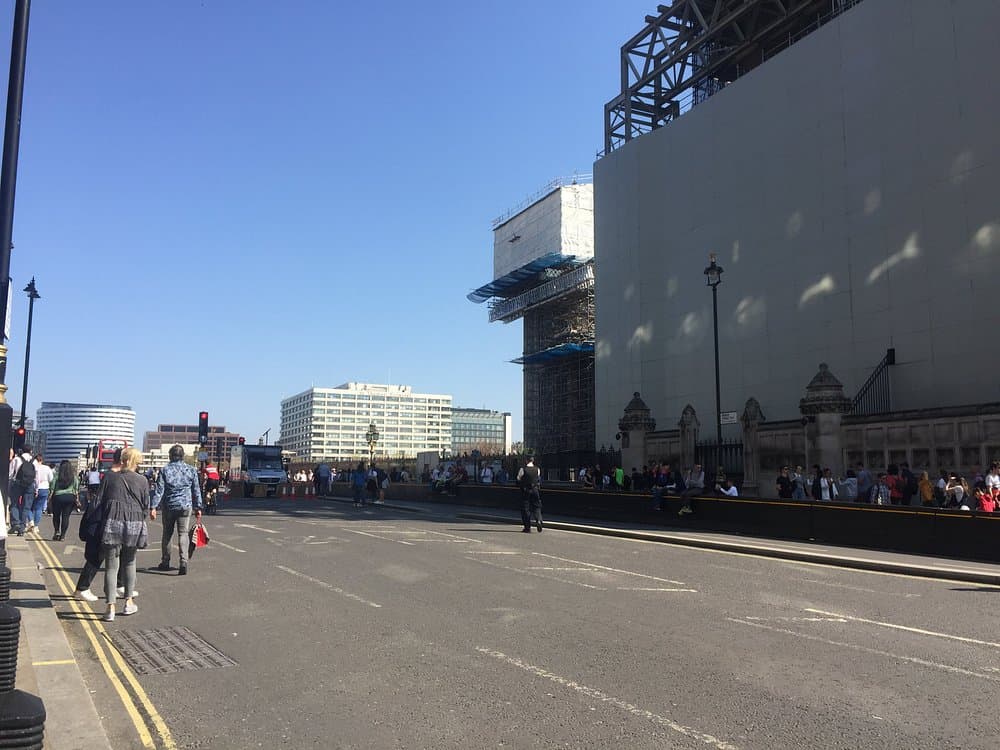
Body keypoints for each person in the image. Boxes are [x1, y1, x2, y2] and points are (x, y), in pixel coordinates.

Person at [99, 448, 149, 621]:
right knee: (130, 562)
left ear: (122, 460)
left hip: (113, 521)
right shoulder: (142, 480)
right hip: (134, 522)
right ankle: (128, 602)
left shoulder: (110, 478)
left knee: (111, 566)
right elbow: (145, 505)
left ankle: (110, 608)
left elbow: (99, 501)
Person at [150, 445, 203, 575]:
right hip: (185, 505)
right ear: (182, 456)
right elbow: (196, 489)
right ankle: (183, 561)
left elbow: (159, 490)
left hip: (169, 505)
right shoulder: (191, 470)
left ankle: (165, 561)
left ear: (170, 456)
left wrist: (153, 506)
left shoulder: (165, 470)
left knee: (167, 534)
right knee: (183, 533)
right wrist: (198, 506)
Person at [9, 446, 36, 536]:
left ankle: (16, 523)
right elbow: (37, 476)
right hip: (30, 485)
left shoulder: (16, 459)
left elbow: (10, 473)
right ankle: (22, 528)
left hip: (18, 483)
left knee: (14, 503)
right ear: (30, 451)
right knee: (26, 507)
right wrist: (36, 488)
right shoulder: (34, 461)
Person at [49, 460, 80, 541]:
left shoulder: (56, 475)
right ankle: (63, 536)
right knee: (65, 517)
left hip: (58, 497)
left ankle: (56, 531)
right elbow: (76, 490)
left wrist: (49, 499)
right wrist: (77, 500)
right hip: (70, 497)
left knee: (56, 516)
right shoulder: (74, 477)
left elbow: (52, 489)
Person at [516, 456, 542, 532]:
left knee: (525, 508)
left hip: (525, 490)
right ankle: (539, 520)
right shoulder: (537, 469)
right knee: (537, 506)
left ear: (526, 461)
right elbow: (538, 478)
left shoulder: (523, 469)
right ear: (533, 461)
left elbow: (518, 479)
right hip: (535, 490)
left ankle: (527, 527)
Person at [30, 454, 53, 534]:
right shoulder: (47, 468)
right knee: (39, 508)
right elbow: (51, 478)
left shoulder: (33, 467)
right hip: (44, 488)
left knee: (29, 507)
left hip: (33, 488)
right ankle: (36, 526)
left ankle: (31, 521)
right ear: (42, 460)